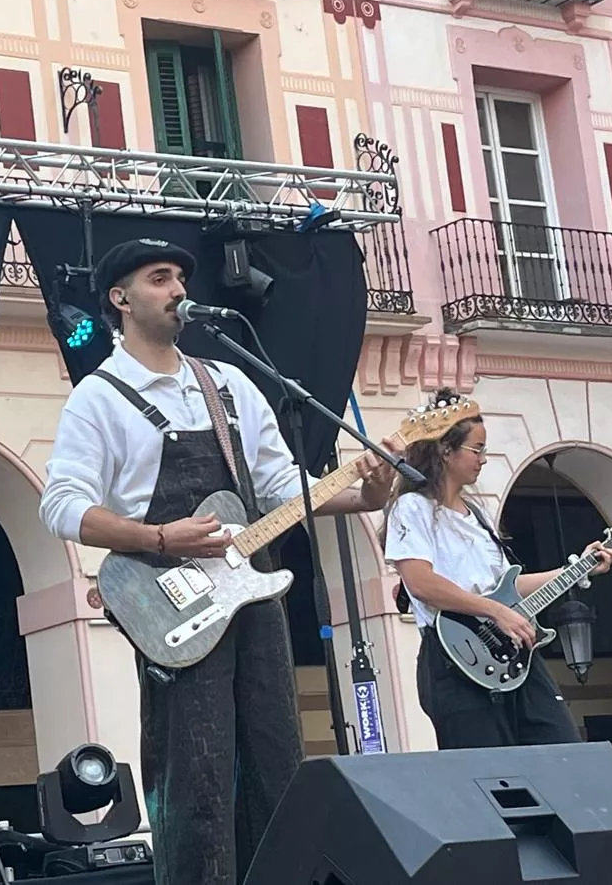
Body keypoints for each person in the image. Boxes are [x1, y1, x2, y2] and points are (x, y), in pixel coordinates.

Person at [38, 238, 399, 884]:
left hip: (248, 592)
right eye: (159, 278)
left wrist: (366, 493)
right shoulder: (100, 397)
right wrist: (156, 539)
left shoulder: (228, 382)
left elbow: (285, 492)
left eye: (179, 276)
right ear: (120, 299)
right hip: (168, 595)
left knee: (277, 756)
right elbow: (61, 506)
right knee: (195, 772)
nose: (177, 288)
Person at [382, 387, 612, 749]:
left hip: (513, 652)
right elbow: (420, 582)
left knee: (564, 748)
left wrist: (581, 567)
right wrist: (495, 612)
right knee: (489, 774)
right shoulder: (412, 508)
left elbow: (509, 586)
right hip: (455, 656)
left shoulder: (478, 516)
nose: (483, 458)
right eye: (476, 449)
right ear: (446, 451)